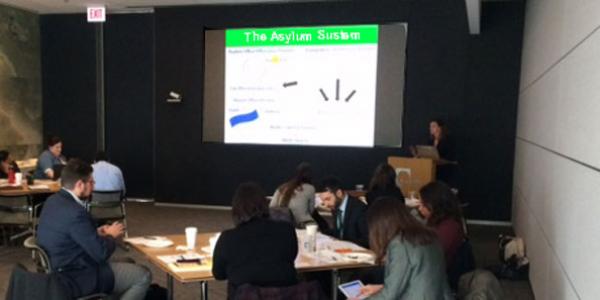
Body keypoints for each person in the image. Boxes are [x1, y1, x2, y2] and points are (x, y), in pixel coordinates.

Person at [37, 158, 151, 299]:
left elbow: (68, 234)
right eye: (91, 182)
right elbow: (101, 254)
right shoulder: (76, 213)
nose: (94, 186)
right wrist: (111, 236)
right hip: (77, 276)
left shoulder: (52, 201)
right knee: (143, 275)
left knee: (129, 262)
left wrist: (96, 232)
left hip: (58, 268)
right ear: (79, 184)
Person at [212, 182, 298, 299]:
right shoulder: (287, 230)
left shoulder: (228, 238)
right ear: (265, 204)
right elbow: (291, 257)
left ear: (236, 208)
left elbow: (218, 274)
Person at [356, 197, 450, 300]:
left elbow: (389, 296)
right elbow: (418, 280)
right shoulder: (428, 236)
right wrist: (381, 288)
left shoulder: (400, 245)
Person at [418, 181, 465, 269]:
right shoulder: (440, 220)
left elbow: (429, 257)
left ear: (434, 205)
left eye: (423, 204)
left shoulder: (448, 228)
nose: (420, 208)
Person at [318, 176, 369, 248]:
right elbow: (339, 233)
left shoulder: (359, 209)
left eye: (328, 199)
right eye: (323, 201)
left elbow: (366, 240)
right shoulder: (336, 207)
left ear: (339, 193)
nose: (326, 205)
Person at [270, 162, 316, 227]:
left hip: (282, 224)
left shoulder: (282, 187)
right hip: (302, 223)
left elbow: (272, 207)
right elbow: (311, 210)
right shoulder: (310, 188)